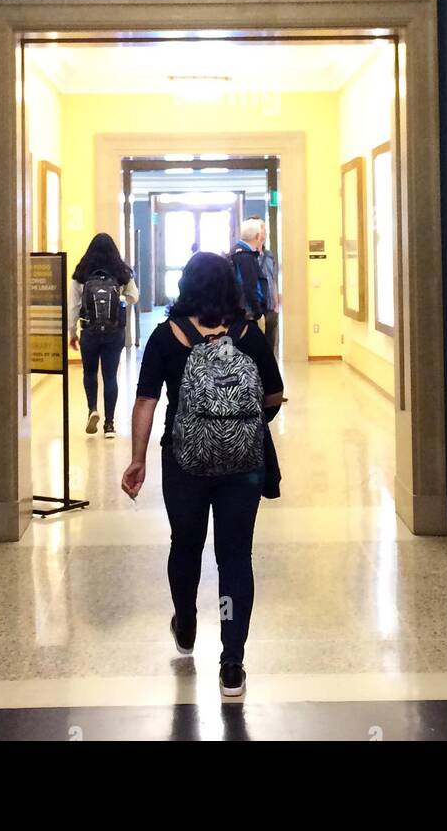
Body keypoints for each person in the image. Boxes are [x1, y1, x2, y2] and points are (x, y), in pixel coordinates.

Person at [122, 251, 284, 699]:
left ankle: (187, 625)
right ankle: (232, 663)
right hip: (243, 467)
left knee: (186, 544)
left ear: (186, 285)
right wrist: (239, 426)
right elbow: (273, 396)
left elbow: (145, 403)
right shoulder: (250, 335)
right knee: (234, 558)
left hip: (184, 462)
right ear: (231, 286)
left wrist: (138, 460)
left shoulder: (166, 337)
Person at [68, 233, 138, 440]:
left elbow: (74, 306)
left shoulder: (81, 273)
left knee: (90, 373)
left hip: (89, 331)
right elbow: (134, 297)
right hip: (114, 332)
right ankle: (109, 425)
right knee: (110, 376)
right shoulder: (122, 272)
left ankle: (92, 410)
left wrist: (72, 332)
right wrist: (119, 298)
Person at [230, 217, 269, 335]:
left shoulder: (236, 252)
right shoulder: (245, 256)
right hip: (248, 314)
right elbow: (248, 286)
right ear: (257, 236)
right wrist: (258, 314)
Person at [257, 221, 280, 360]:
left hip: (271, 309)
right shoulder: (247, 257)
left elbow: (272, 279)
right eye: (261, 228)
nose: (264, 232)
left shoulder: (269, 256)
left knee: (270, 348)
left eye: (265, 228)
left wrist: (276, 303)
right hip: (257, 309)